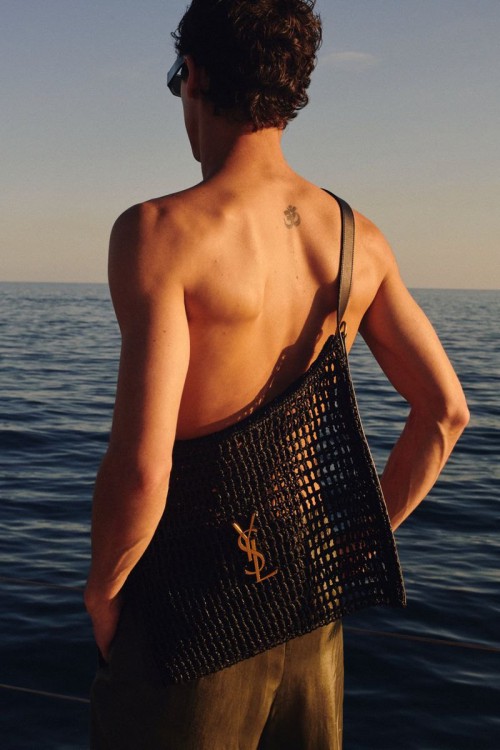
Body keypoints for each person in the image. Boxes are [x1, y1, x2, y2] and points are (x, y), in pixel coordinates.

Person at [84, 1, 469, 748]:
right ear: (290, 89)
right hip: (306, 601)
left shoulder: (159, 233)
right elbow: (446, 413)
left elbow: (143, 469)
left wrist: (104, 591)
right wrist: (355, 543)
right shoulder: (359, 240)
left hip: (190, 611)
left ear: (194, 75)